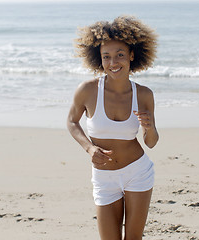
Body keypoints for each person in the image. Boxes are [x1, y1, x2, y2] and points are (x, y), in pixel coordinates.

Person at [67, 15, 159, 239]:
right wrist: (89, 148)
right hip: (103, 176)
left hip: (137, 172)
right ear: (99, 60)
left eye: (119, 55)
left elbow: (151, 142)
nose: (113, 63)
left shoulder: (144, 94)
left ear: (131, 56)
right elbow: (71, 121)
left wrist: (149, 127)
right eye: (106, 57)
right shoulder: (87, 90)